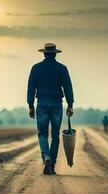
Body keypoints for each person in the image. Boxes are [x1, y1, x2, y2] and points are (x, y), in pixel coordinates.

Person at [27, 43, 74, 175]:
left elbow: (31, 88)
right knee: (55, 135)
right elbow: (68, 87)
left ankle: (46, 157)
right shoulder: (62, 68)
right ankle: (52, 164)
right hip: (56, 104)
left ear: (44, 53)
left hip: (41, 104)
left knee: (42, 133)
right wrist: (70, 104)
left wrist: (30, 105)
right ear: (55, 54)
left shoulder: (36, 68)